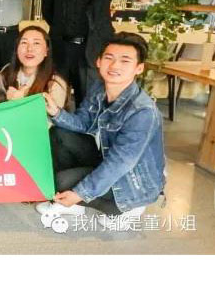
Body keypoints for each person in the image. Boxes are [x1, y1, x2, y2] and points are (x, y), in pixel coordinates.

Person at [37, 33, 165, 230]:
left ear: (139, 68)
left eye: (125, 61)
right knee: (59, 134)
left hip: (133, 183)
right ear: (98, 61)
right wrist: (56, 112)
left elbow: (120, 163)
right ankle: (74, 206)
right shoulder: (99, 88)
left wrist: (79, 193)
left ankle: (127, 209)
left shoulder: (142, 111)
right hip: (109, 159)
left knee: (61, 182)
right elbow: (83, 123)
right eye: (109, 58)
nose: (114, 66)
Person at [1, 25, 68, 116]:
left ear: (46, 51)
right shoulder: (6, 71)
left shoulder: (55, 83)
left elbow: (49, 121)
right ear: (16, 49)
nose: (29, 49)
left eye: (36, 43)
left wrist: (21, 103)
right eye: (24, 42)